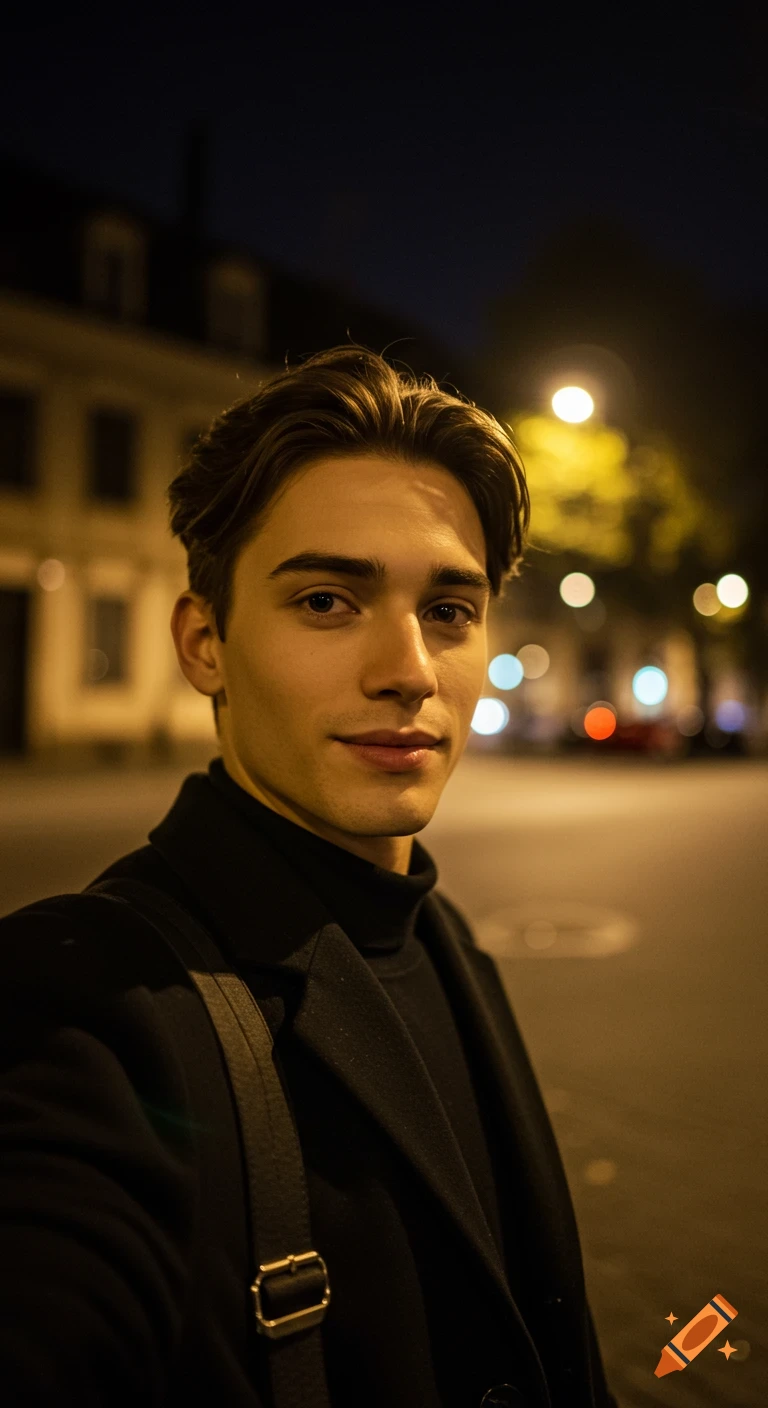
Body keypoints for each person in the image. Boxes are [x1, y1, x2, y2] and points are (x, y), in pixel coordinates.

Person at [0, 345, 618, 1407]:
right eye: (328, 600)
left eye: (450, 610)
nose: (409, 670)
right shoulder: (89, 1005)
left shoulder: (443, 937)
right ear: (206, 643)